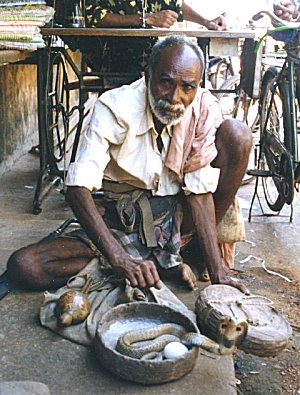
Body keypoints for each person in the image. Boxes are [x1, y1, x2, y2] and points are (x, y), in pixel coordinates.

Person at [6, 35, 252, 295]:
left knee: (238, 134)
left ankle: (180, 255)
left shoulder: (202, 109)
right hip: (121, 221)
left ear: (198, 85)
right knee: (25, 266)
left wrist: (218, 275)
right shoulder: (115, 107)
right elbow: (78, 188)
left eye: (187, 87)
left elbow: (200, 195)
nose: (174, 97)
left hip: (176, 221)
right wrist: (118, 259)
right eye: (165, 82)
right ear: (148, 76)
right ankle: (154, 265)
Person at [59, 0, 227, 77]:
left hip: (145, 55)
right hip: (109, 55)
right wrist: (145, 19)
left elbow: (174, 5)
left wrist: (206, 22)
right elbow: (93, 15)